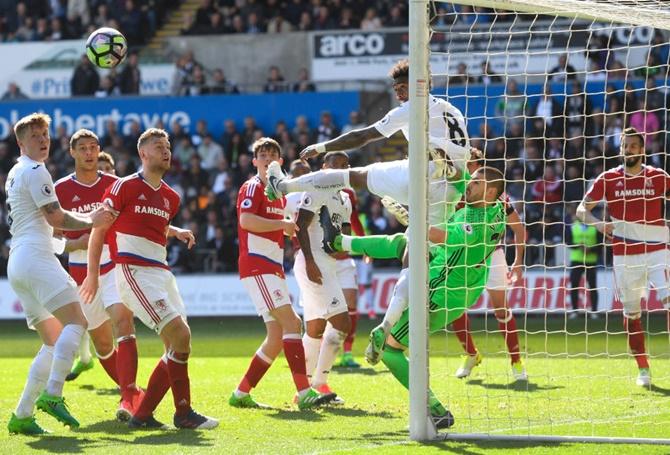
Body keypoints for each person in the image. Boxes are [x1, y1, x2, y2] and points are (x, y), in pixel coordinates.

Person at [321, 166, 507, 428]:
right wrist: (447, 162)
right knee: (401, 243)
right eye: (473, 180)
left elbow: (438, 235)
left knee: (390, 351)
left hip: (443, 290)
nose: (470, 184)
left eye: (476, 183)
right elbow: (460, 177)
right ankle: (338, 241)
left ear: (489, 191)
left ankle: (434, 409)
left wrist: (411, 217)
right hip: (455, 273)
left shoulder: (475, 225)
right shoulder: (496, 205)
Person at [81, 128, 218, 429]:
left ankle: (163, 414)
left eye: (168, 146)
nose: (166, 150)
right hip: (133, 271)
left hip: (162, 272)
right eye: (159, 146)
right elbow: (99, 229)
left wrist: (176, 231)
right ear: (143, 154)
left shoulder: (171, 196)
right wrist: (92, 275)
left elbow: (148, 222)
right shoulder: (124, 187)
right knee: (179, 335)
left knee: (180, 344)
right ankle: (166, 414)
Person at [6, 113, 113, 435]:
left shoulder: (15, 171)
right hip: (35, 259)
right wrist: (93, 219)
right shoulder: (36, 170)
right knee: (78, 322)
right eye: (35, 135)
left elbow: (40, 223)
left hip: (19, 262)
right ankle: (52, 394)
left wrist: (70, 241)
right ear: (21, 142)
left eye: (45, 134)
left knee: (52, 342)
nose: (43, 140)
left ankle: (22, 414)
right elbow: (55, 217)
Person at [228, 138, 335, 410]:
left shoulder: (279, 192)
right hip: (257, 264)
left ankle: (240, 394)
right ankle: (303, 391)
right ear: (254, 161)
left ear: (280, 162)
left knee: (276, 337)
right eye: (262, 155)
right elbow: (246, 221)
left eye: (272, 155)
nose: (267, 159)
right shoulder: (253, 187)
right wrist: (282, 225)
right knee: (292, 323)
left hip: (270, 266)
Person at [54, 130, 142, 421]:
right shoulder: (61, 189)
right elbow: (51, 238)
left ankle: (129, 399)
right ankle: (130, 393)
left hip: (113, 265)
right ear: (73, 153)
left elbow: (135, 222)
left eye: (93, 147)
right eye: (83, 148)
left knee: (123, 320)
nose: (89, 153)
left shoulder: (116, 185)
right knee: (103, 345)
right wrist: (74, 243)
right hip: (81, 273)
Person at [577, 127, 670, 387]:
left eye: (632, 145)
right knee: (632, 314)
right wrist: (599, 225)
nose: (626, 150)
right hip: (625, 255)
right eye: (623, 146)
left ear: (642, 150)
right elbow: (581, 209)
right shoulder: (607, 179)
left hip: (659, 251)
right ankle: (643, 369)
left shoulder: (659, 176)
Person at [449, 154, 527, 381]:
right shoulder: (455, 195)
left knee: (501, 310)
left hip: (493, 256)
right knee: (453, 307)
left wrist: (518, 261)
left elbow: (519, 229)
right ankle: (470, 354)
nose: (467, 169)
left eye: (471, 164)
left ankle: (516, 361)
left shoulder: (498, 198)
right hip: (464, 258)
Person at [294, 151, 353, 402]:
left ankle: (304, 392)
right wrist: (309, 261)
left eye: (344, 165)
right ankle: (319, 383)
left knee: (316, 328)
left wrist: (355, 247)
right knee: (342, 323)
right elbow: (300, 226)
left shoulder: (345, 199)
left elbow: (344, 234)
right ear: (324, 166)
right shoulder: (316, 189)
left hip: (328, 263)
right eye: (335, 164)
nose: (340, 168)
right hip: (313, 263)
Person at [566, 204, 600, 319]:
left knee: (592, 286)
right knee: (574, 286)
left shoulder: (595, 227)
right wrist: (578, 246)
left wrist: (591, 249)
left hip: (591, 260)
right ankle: (575, 310)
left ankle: (594, 311)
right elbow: (568, 242)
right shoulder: (572, 227)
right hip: (576, 260)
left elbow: (601, 244)